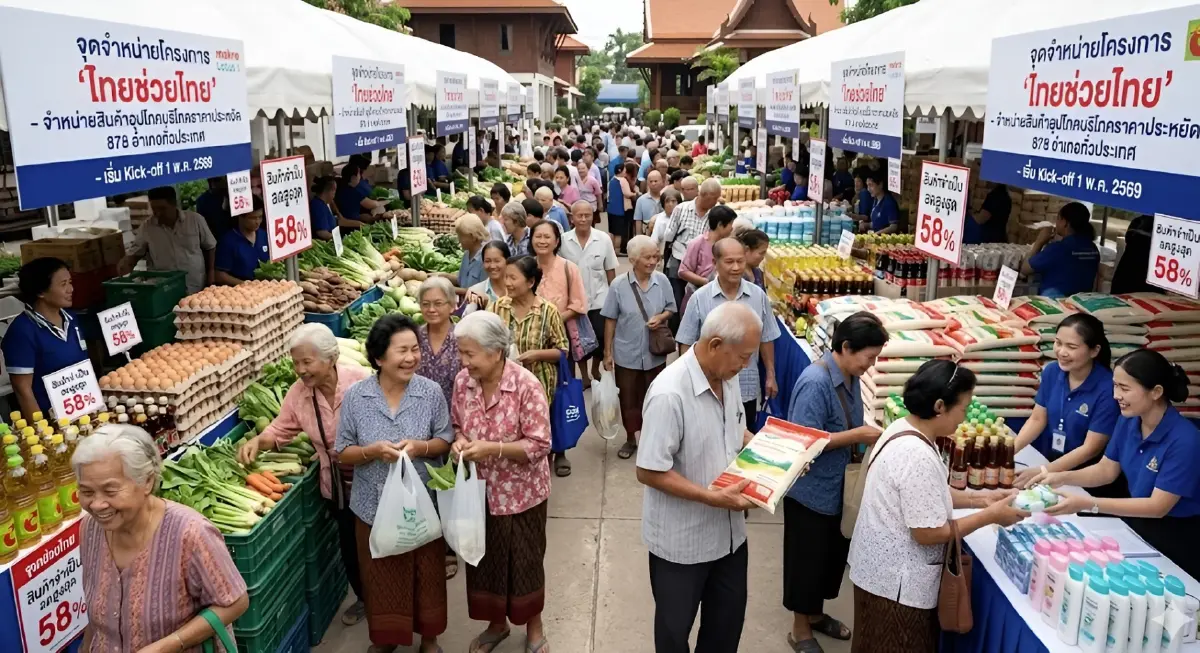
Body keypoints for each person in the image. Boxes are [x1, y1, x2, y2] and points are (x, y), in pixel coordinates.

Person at [848, 360, 1026, 653]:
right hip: (897, 587)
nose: (964, 418)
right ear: (941, 406)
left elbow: (924, 495)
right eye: (963, 409)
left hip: (876, 572)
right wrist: (989, 516)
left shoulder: (903, 427)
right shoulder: (916, 454)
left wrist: (979, 499)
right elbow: (928, 533)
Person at [637, 302, 764, 653]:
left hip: (729, 537)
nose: (746, 365)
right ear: (714, 344)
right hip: (683, 543)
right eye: (743, 356)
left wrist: (777, 454)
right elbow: (649, 469)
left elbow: (736, 429)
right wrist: (712, 497)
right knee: (675, 633)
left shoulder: (727, 375)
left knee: (725, 629)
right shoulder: (669, 394)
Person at [237, 323, 371, 626]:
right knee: (350, 545)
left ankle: (391, 603)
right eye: (296, 362)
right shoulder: (299, 394)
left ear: (331, 357)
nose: (300, 370)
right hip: (336, 484)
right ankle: (365, 598)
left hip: (373, 478)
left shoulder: (361, 383)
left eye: (307, 362)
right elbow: (280, 429)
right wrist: (258, 441)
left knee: (382, 544)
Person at [335, 315, 452, 653]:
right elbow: (343, 451)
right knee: (381, 575)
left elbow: (445, 438)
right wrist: (370, 452)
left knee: (426, 572)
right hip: (372, 506)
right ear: (379, 358)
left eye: (415, 349)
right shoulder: (357, 396)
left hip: (422, 505)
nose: (411, 358)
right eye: (402, 351)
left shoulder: (429, 392)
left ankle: (428, 638)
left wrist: (421, 447)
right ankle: (388, 637)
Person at [1028, 349, 1200, 579]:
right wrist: (1060, 477)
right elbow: (1106, 470)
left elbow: (1158, 506)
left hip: (1175, 536)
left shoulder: (1185, 440)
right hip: (1136, 522)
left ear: (1156, 392)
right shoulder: (1128, 420)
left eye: (1125, 388)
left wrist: (1089, 504)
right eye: (1115, 386)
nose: (1116, 395)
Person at [76, 425, 249, 652]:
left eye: (110, 491)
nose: (97, 504)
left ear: (147, 482)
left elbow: (235, 602)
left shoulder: (191, 533)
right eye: (87, 492)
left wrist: (171, 644)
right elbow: (98, 614)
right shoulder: (90, 529)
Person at [783, 313, 889, 652]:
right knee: (807, 562)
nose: (870, 366)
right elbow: (802, 441)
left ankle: (815, 615)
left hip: (836, 490)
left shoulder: (850, 375)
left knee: (828, 561)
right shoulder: (816, 381)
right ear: (845, 347)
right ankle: (800, 629)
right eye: (868, 357)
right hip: (811, 493)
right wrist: (856, 435)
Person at [450, 311, 553, 653]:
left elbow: (540, 444)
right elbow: (456, 424)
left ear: (495, 352)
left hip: (522, 495)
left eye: (470, 354)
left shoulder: (526, 385)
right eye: (461, 354)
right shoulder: (462, 383)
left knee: (525, 563)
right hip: (478, 492)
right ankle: (497, 625)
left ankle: (534, 626)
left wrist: (494, 448)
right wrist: (459, 442)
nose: (464, 363)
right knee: (486, 563)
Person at [677, 238, 780, 429]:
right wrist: (689, 381)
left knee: (743, 436)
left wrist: (770, 375)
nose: (736, 267)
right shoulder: (700, 298)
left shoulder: (758, 296)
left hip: (746, 386)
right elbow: (685, 342)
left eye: (740, 261)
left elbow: (766, 337)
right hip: (710, 387)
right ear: (715, 263)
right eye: (729, 261)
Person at [1013, 314, 1122, 494]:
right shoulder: (1052, 372)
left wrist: (1044, 471)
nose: (1062, 352)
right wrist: (1009, 452)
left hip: (1086, 480)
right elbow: (1037, 419)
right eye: (1058, 343)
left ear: (1094, 351)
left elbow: (1090, 448)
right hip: (1052, 465)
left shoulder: (1108, 389)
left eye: (1071, 347)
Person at [601, 235, 676, 459]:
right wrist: (608, 353)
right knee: (629, 398)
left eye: (655, 256)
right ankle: (630, 438)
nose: (653, 261)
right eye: (647, 257)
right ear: (633, 259)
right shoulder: (618, 285)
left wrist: (661, 317)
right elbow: (610, 319)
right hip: (627, 353)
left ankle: (654, 437)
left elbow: (671, 308)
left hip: (655, 353)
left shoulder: (661, 281)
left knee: (655, 397)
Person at [528, 220, 588, 476]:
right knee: (529, 399)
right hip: (525, 343)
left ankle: (560, 450)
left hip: (559, 343)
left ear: (556, 241)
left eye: (547, 237)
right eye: (537, 236)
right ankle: (534, 449)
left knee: (558, 396)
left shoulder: (568, 268)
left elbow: (579, 305)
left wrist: (548, 321)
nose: (542, 241)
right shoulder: (525, 266)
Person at [2, 257, 89, 422]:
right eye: (63, 284)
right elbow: (22, 389)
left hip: (83, 412)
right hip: (53, 421)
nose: (71, 289)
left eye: (70, 282)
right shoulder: (22, 332)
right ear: (41, 292)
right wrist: (42, 431)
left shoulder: (71, 319)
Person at [561, 201, 618, 387]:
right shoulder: (563, 241)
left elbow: (610, 270)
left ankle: (596, 368)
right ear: (572, 218)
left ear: (593, 216)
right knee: (578, 341)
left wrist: (614, 298)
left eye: (587, 215)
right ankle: (584, 375)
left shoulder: (603, 239)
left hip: (600, 299)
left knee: (601, 338)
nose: (583, 219)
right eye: (579, 215)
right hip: (575, 301)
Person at [121, 186, 216, 294]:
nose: (158, 213)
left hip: (195, 285)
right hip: (165, 289)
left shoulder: (195, 220)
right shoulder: (147, 228)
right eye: (154, 209)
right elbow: (135, 254)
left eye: (162, 208)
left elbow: (210, 246)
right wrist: (126, 264)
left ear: (174, 204)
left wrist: (211, 273)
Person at [1022, 201, 1100, 298]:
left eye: (1058, 219)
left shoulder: (1058, 249)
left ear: (1065, 223)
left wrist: (1039, 241)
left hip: (1056, 305)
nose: (1056, 222)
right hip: (1082, 302)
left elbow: (1025, 269)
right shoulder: (1093, 249)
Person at [678, 205, 737, 316]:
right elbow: (683, 271)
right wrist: (706, 282)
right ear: (720, 225)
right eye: (730, 224)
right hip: (698, 294)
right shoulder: (698, 243)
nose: (732, 228)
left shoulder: (727, 244)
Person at [214, 196, 270, 285]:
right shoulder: (228, 241)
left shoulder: (263, 235)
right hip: (240, 291)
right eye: (253, 218)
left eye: (260, 217)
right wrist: (246, 285)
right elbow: (219, 275)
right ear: (240, 217)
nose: (257, 221)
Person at [445, 214, 489, 291]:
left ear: (473, 237)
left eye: (461, 236)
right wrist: (444, 277)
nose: (459, 240)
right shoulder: (466, 255)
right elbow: (461, 282)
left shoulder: (485, 259)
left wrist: (448, 289)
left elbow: (480, 293)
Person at [607, 162, 631, 255]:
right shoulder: (622, 180)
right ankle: (617, 251)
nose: (626, 172)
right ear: (620, 170)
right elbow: (627, 193)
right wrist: (634, 194)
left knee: (612, 231)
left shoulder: (612, 180)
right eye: (625, 170)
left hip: (611, 209)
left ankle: (612, 249)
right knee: (619, 232)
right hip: (619, 209)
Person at [867, 170, 900, 234]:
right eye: (867, 185)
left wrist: (876, 234)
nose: (868, 189)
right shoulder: (875, 200)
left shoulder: (889, 202)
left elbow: (894, 226)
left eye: (871, 185)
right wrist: (866, 225)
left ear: (880, 185)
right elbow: (877, 222)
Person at [634, 170, 664, 237]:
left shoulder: (666, 198)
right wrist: (639, 237)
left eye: (656, 181)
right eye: (651, 181)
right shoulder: (641, 200)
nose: (653, 183)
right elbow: (638, 221)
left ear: (662, 182)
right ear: (647, 183)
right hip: (647, 234)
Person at [310, 176, 340, 241]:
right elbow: (322, 232)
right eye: (334, 191)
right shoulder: (318, 206)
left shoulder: (324, 204)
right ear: (329, 191)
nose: (334, 195)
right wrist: (338, 240)